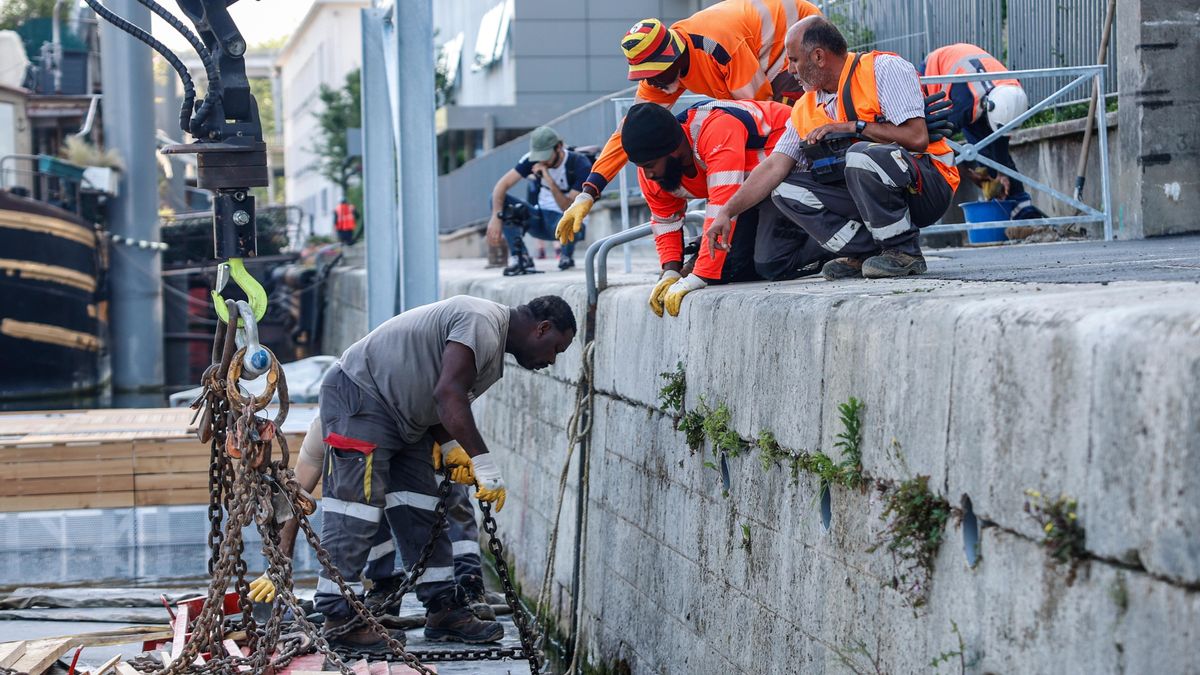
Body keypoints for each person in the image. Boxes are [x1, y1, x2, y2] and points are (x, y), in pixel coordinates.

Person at [313, 294, 576, 651]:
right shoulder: (481, 321)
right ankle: (339, 618)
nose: (552, 360)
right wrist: (484, 464)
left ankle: (443, 609)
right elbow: (448, 393)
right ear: (542, 328)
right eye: (556, 348)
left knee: (422, 509)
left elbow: (436, 390)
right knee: (355, 510)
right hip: (363, 398)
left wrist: (450, 445)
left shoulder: (490, 341)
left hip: (405, 418)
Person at [707, 17, 960, 280]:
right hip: (865, 195)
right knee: (784, 189)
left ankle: (904, 252)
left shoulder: (882, 69)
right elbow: (773, 167)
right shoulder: (804, 107)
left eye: (793, 60)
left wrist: (853, 127)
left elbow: (917, 138)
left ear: (818, 56)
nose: (790, 69)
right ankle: (865, 252)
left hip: (927, 187)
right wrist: (727, 212)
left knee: (860, 155)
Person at [553, 0, 823, 245]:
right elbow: (628, 134)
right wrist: (589, 192)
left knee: (792, 124)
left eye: (654, 73)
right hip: (755, 50)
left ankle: (818, 204)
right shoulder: (660, 74)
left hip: (794, 30)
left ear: (671, 56)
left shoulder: (719, 48)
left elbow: (760, 110)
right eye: (644, 75)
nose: (651, 82)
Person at [246, 418, 504, 623]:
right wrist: (278, 566)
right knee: (362, 497)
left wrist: (448, 441)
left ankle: (468, 584)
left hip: (422, 431)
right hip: (379, 441)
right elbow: (295, 496)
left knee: (449, 495)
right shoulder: (325, 426)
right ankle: (386, 583)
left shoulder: (406, 408)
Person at [622, 100, 829, 316]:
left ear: (673, 149)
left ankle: (835, 245)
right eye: (641, 167)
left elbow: (722, 204)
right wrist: (670, 272)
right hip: (749, 190)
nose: (648, 175)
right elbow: (665, 221)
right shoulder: (652, 168)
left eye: (650, 166)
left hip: (791, 173)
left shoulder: (716, 128)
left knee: (771, 263)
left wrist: (698, 276)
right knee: (727, 268)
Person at [920, 43, 1045, 220]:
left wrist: (1001, 172)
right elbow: (937, 141)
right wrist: (966, 171)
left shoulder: (1012, 94)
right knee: (945, 146)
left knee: (992, 155)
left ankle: (1021, 209)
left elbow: (1000, 137)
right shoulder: (962, 106)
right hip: (934, 69)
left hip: (975, 89)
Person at [487, 126, 594, 275]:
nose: (542, 160)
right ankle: (521, 258)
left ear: (559, 147)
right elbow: (501, 186)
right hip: (540, 217)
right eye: (539, 156)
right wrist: (496, 216)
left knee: (568, 220)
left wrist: (548, 178)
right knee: (499, 201)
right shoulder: (531, 159)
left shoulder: (580, 164)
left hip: (568, 220)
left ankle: (566, 256)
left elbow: (567, 207)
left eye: (546, 155)